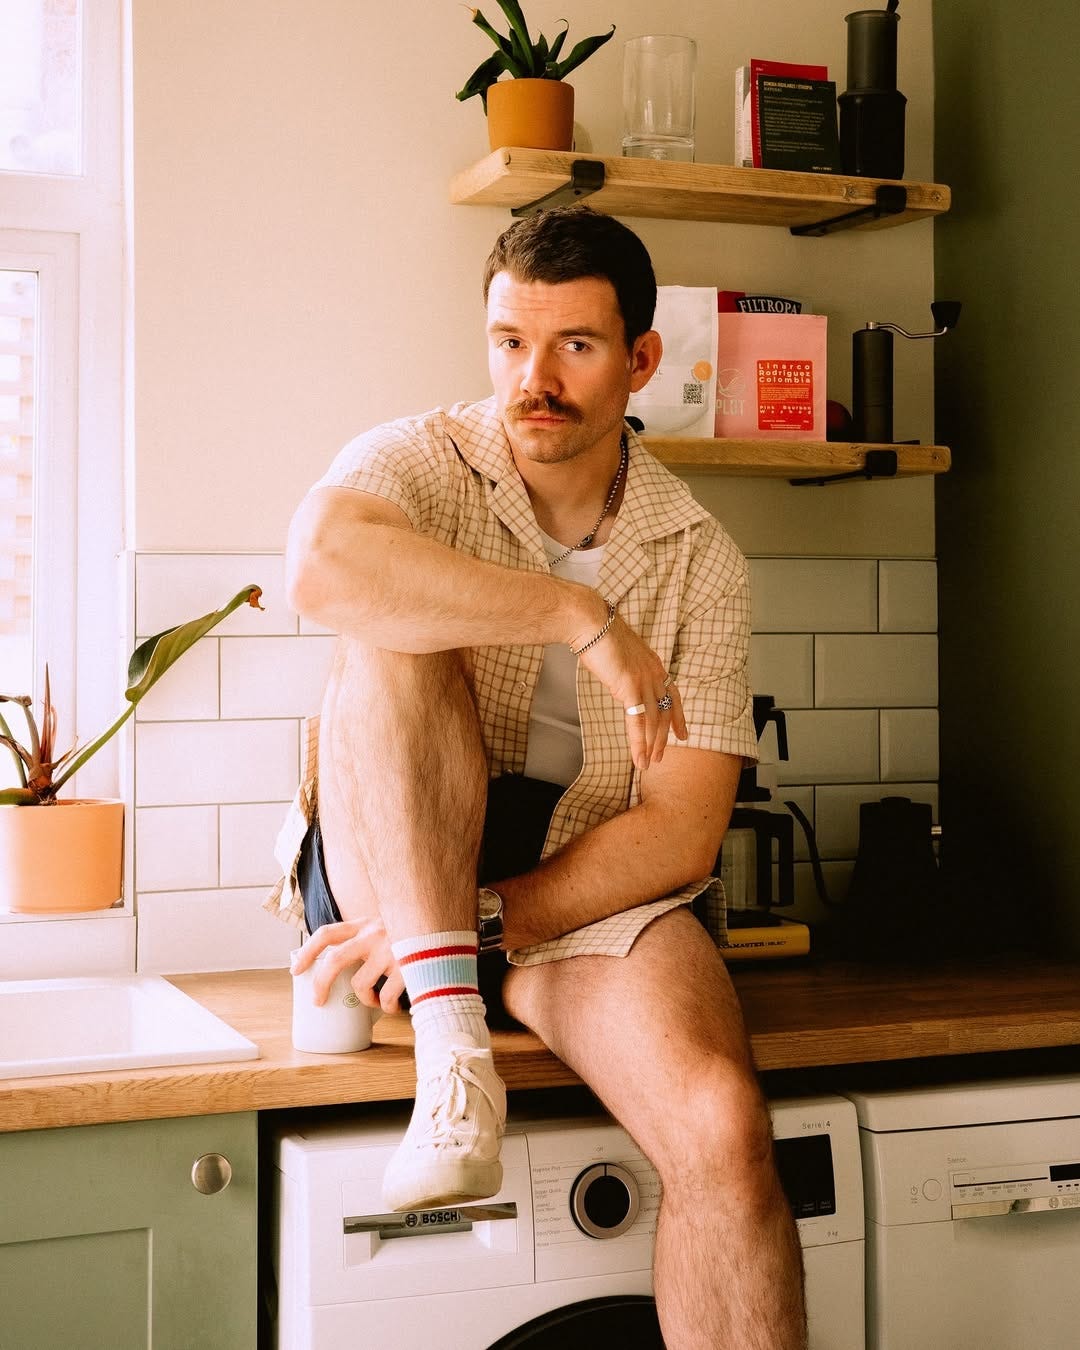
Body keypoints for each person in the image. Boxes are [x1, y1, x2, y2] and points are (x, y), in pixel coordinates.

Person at [265, 204, 806, 1348]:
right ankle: (454, 1053)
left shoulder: (702, 560)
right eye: (512, 341)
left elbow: (679, 838)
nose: (535, 378)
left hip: (575, 892)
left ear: (641, 360)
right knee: (385, 624)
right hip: (392, 867)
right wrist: (578, 613)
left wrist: (483, 922)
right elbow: (319, 561)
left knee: (721, 1123)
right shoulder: (425, 458)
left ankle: (454, 968)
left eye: (575, 346)